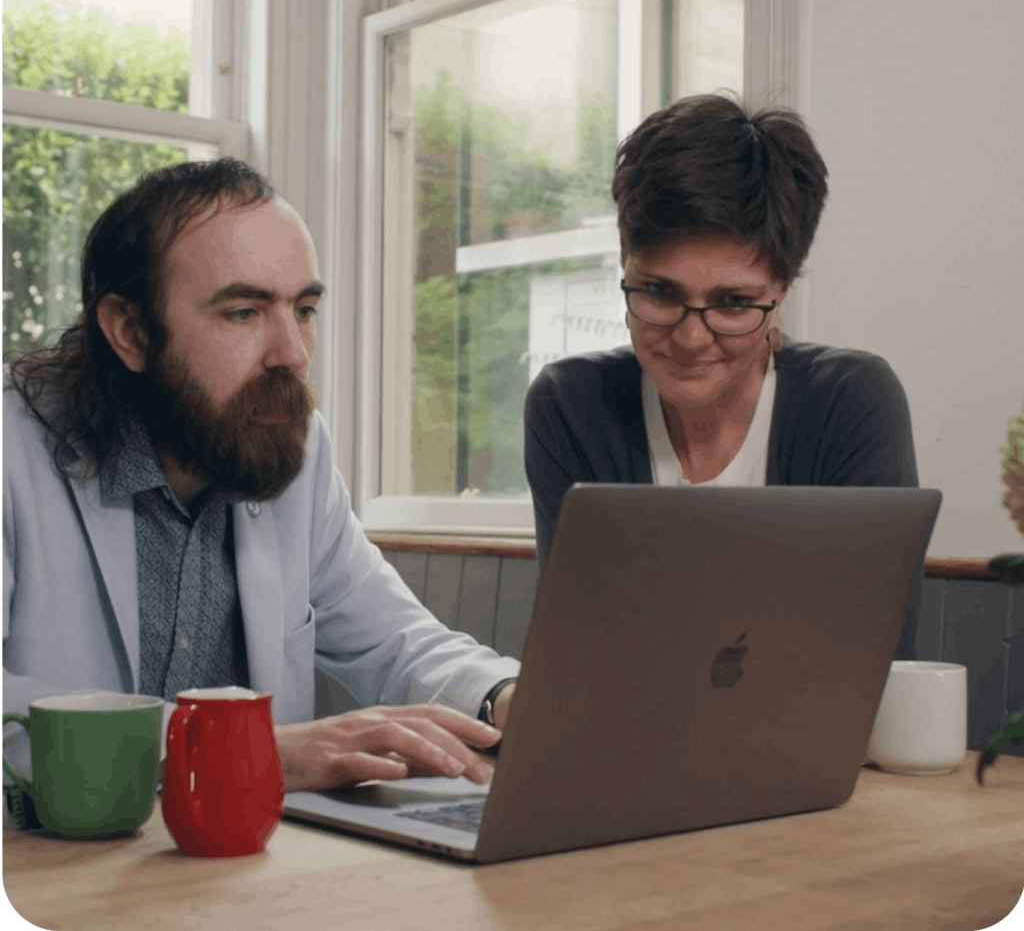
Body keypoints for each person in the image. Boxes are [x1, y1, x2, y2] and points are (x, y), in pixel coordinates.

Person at [2, 159, 519, 813]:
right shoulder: (12, 448)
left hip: (240, 875)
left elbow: (391, 637)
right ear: (130, 331)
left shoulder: (287, 441)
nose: (293, 354)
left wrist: (505, 696)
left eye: (303, 309)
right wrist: (251, 749)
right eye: (243, 312)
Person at [524, 92, 920, 653]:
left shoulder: (851, 401)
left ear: (781, 288)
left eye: (733, 303)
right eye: (660, 293)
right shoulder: (570, 406)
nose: (690, 337)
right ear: (623, 262)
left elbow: (874, 655)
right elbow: (577, 648)